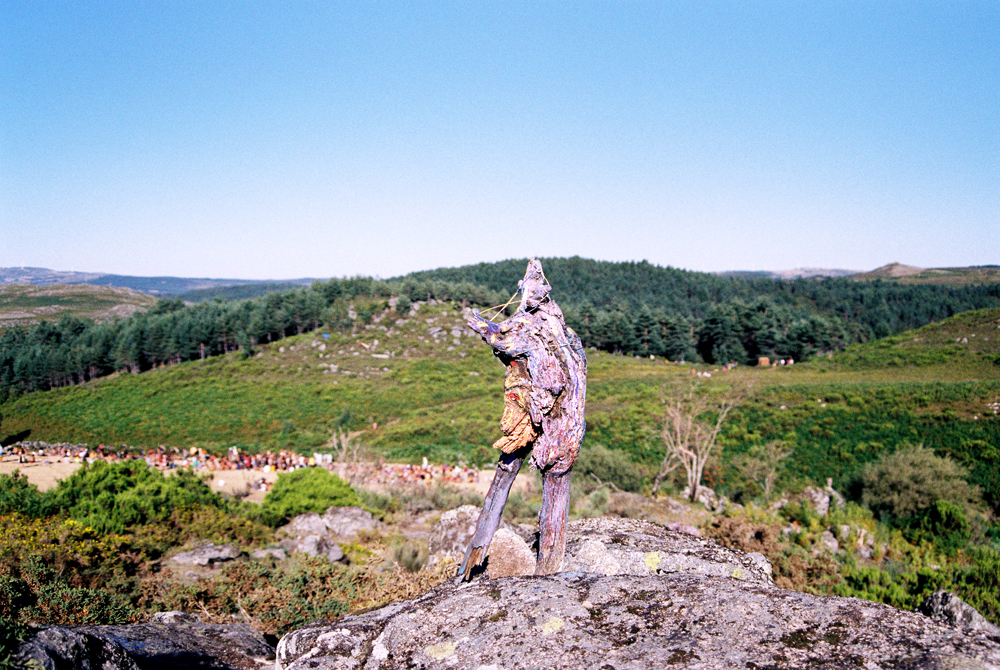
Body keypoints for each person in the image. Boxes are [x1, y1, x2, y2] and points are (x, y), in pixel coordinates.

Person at [458, 259, 587, 579]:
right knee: (551, 482)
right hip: (560, 419)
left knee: (517, 472)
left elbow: (503, 338)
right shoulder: (563, 330)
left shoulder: (534, 327)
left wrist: (479, 324)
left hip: (542, 415)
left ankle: (536, 571)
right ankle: (547, 569)